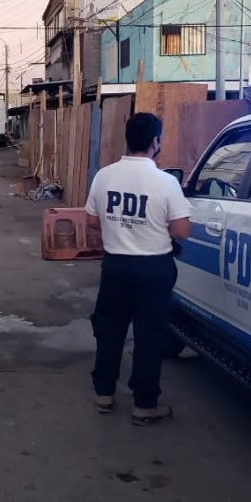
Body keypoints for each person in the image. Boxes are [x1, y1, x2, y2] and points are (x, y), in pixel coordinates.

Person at [84, 112, 191, 426]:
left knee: (109, 330)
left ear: (127, 139)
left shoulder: (104, 176)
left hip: (115, 266)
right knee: (149, 336)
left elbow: (91, 220)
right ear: (155, 142)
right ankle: (144, 404)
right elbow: (182, 231)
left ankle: (104, 393)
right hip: (154, 269)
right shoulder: (166, 182)